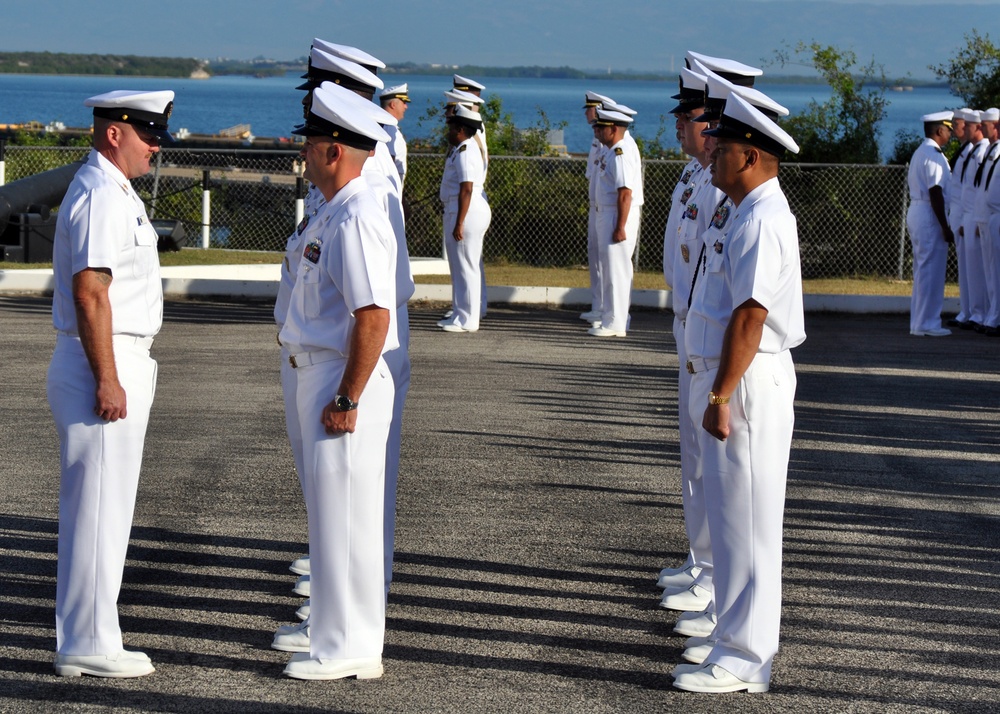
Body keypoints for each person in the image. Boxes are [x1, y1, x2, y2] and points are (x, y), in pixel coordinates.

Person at [672, 93, 805, 694]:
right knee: (729, 522)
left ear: (749, 155)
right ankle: (731, 637)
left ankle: (748, 659)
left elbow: (751, 316)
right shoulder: (741, 210)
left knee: (749, 525)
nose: (711, 153)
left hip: (747, 384)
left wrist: (721, 396)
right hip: (729, 378)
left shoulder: (763, 218)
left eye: (721, 148)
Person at [47, 89, 175, 678]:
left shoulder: (112, 190)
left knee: (106, 506)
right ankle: (87, 641)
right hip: (104, 361)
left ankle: (94, 632)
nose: (156, 145)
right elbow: (91, 291)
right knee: (98, 508)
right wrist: (110, 378)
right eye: (148, 133)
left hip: (115, 359)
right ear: (114, 132)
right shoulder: (102, 194)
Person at [277, 82, 397, 681]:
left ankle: (351, 648)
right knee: (331, 519)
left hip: (340, 378)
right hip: (318, 373)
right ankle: (334, 638)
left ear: (334, 151)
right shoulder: (333, 209)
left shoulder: (356, 215)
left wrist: (348, 396)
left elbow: (373, 315)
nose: (305, 154)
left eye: (312, 143)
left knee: (347, 519)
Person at [588, 107, 643, 337]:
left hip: (616, 214)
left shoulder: (620, 152)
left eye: (601, 127)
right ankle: (611, 318)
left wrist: (620, 226)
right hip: (608, 212)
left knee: (617, 270)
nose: (597, 131)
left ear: (613, 129)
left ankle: (616, 323)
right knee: (610, 269)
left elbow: (624, 193)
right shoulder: (611, 151)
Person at [438, 105, 490, 333]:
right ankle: (460, 315)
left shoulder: (466, 150)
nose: (447, 131)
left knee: (467, 266)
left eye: (450, 127)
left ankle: (469, 319)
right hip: (460, 209)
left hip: (466, 211)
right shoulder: (461, 148)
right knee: (459, 266)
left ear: (460, 129)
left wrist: (460, 222)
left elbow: (466, 188)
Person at [907, 112, 956, 337]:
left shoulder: (921, 152)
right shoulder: (934, 155)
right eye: (948, 129)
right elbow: (935, 191)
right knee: (931, 271)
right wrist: (945, 226)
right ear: (939, 131)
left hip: (919, 210)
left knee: (923, 269)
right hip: (929, 213)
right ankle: (928, 323)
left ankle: (919, 322)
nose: (950, 133)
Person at [580, 91, 613, 325]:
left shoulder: (607, 143)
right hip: (596, 205)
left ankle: (605, 309)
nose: (586, 113)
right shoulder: (596, 140)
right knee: (594, 256)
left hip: (604, 207)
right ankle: (597, 305)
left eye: (589, 109)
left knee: (604, 259)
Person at [973, 107, 1000, 334]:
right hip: (988, 216)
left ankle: (995, 317)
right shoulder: (992, 151)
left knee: (996, 269)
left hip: (997, 216)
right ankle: (992, 315)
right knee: (991, 270)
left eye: (986, 125)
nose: (982, 128)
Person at [379, 84, 411, 186]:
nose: (406, 106)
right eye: (404, 102)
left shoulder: (385, 126)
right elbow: (389, 163)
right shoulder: (389, 128)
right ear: (393, 104)